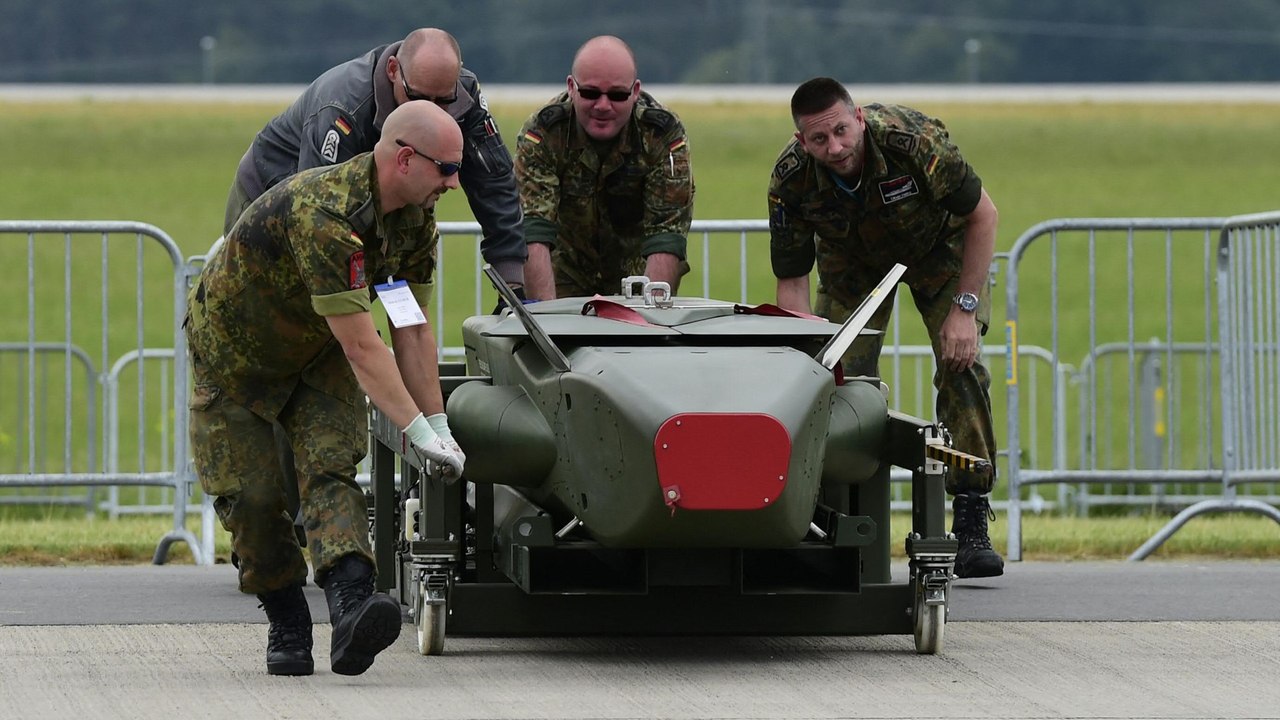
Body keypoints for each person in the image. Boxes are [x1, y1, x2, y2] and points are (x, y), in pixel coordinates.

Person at [186, 100, 468, 677]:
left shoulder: (415, 221)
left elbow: (410, 328)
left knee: (331, 470)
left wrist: (438, 428)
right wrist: (413, 432)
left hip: (317, 354)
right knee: (255, 503)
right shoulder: (324, 214)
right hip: (236, 360)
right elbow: (367, 349)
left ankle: (351, 610)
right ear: (406, 159)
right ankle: (287, 621)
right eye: (446, 169)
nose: (455, 183)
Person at [768, 77, 1004, 579]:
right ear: (800, 142)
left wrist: (964, 309)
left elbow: (984, 215)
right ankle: (832, 507)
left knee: (962, 365)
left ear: (858, 119)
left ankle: (969, 515)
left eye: (840, 132)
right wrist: (805, 352)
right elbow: (792, 281)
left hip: (939, 249)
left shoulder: (912, 141)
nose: (834, 148)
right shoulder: (790, 181)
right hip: (852, 264)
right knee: (832, 379)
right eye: (818, 140)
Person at [224, 26, 526, 293]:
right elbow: (317, 217)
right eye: (419, 99)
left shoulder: (463, 94)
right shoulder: (343, 106)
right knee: (281, 304)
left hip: (361, 199)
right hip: (273, 190)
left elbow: (495, 180)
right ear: (393, 71)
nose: (433, 111)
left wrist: (512, 284)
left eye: (444, 101)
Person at [514, 35, 694, 301]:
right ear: (571, 87)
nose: (603, 106)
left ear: (635, 92)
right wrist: (544, 321)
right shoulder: (545, 133)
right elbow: (533, 230)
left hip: (636, 282)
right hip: (558, 277)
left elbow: (666, 236)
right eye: (590, 93)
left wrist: (650, 319)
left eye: (618, 95)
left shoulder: (662, 135)